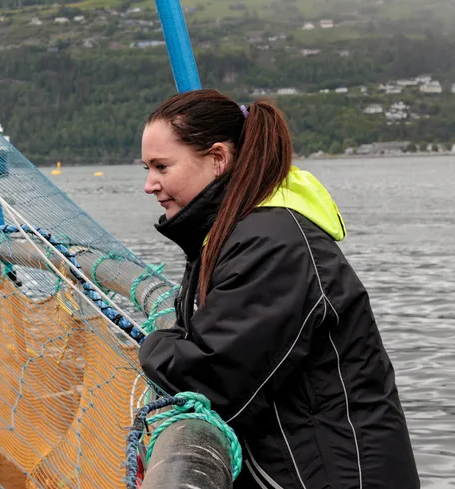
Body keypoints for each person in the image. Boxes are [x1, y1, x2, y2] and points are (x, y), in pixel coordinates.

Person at [137, 89, 419, 489]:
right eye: (147, 168)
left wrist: (151, 345)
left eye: (162, 166)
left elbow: (210, 378)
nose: (150, 184)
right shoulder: (234, 231)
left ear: (217, 159)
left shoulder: (271, 243)